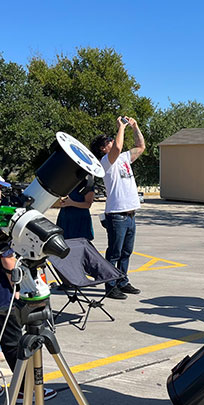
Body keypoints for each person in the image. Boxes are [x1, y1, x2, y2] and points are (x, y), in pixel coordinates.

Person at [90, 116, 145, 300]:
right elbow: (118, 147)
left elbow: (141, 147)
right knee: (114, 253)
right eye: (108, 141)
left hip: (130, 214)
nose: (112, 141)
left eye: (111, 139)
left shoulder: (123, 159)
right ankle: (110, 286)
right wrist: (121, 127)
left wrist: (135, 127)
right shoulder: (106, 162)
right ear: (102, 148)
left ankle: (122, 281)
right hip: (116, 214)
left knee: (126, 252)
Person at [0, 249, 57, 403]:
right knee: (13, 344)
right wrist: (18, 287)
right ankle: (25, 389)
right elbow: (7, 257)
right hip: (3, 299)